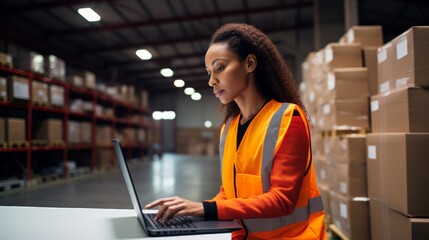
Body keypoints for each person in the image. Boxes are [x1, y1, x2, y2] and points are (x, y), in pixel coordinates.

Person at [146, 23, 326, 240]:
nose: (212, 81)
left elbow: (282, 200)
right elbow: (229, 192)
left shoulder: (288, 118)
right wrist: (191, 211)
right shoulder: (230, 126)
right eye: (209, 72)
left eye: (219, 68)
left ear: (249, 63)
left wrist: (206, 210)